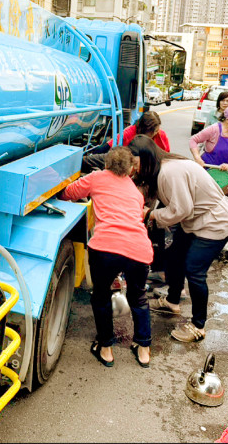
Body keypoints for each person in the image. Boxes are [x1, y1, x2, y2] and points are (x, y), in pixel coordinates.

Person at [129, 135, 228, 343]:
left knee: (194, 270)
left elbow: (181, 209)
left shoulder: (169, 172)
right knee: (174, 256)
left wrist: (151, 216)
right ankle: (172, 301)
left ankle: (199, 326)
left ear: (147, 157)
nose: (134, 168)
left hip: (215, 221)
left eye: (135, 163)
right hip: (197, 220)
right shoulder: (161, 168)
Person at [59, 146, 153, 367]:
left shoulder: (97, 178)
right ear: (130, 170)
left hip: (106, 248)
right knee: (138, 297)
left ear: (107, 164)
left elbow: (68, 193)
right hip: (139, 249)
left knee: (101, 296)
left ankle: (106, 348)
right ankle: (144, 350)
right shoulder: (135, 191)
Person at [83, 111, 170, 172]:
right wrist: (94, 154)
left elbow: (166, 156)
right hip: (126, 165)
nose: (156, 133)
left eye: (157, 130)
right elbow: (109, 144)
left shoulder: (161, 135)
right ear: (143, 129)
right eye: (154, 131)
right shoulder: (130, 132)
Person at [189, 105, 228, 172]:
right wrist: (197, 158)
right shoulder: (214, 129)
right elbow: (193, 140)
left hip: (225, 173)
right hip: (206, 170)